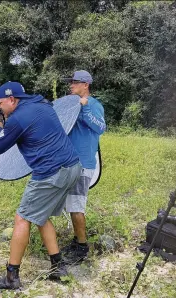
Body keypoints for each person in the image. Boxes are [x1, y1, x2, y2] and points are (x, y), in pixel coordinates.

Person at [0, 82, 82, 289]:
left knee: (22, 218)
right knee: (41, 215)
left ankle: (12, 277)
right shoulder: (41, 102)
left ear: (12, 100)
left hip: (50, 173)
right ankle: (58, 267)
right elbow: (18, 93)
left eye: (0, 103)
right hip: (72, 166)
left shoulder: (17, 119)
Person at [61, 70, 106, 264]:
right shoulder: (70, 104)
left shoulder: (94, 105)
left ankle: (82, 247)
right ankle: (76, 240)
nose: (71, 85)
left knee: (77, 205)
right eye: (70, 82)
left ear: (85, 85)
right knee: (72, 205)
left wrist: (85, 108)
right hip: (69, 162)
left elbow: (100, 128)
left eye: (75, 82)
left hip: (83, 163)